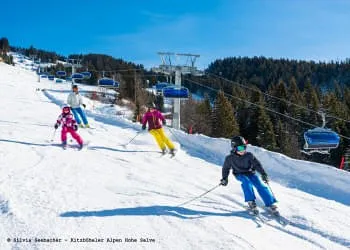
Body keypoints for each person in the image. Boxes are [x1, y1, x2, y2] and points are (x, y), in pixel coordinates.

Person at [220, 136, 278, 213]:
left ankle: (270, 203)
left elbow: (257, 165)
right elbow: (225, 169)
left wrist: (263, 174)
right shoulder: (229, 158)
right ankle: (251, 202)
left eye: (244, 147)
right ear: (234, 148)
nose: (243, 150)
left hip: (250, 173)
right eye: (240, 148)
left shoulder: (249, 155)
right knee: (246, 182)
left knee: (260, 185)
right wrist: (224, 178)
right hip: (239, 174)